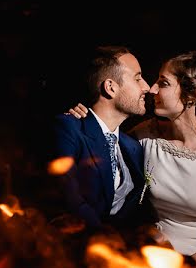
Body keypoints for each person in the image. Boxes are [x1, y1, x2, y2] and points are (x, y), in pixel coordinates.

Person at [69, 50, 196, 262]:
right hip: (149, 254)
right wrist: (83, 119)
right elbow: (103, 145)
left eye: (163, 84)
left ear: (192, 95)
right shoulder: (146, 135)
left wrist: (190, 267)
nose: (152, 89)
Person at [50, 46, 152, 233]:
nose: (146, 87)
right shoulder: (70, 128)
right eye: (137, 78)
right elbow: (69, 197)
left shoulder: (133, 146)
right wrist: (106, 238)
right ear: (110, 87)